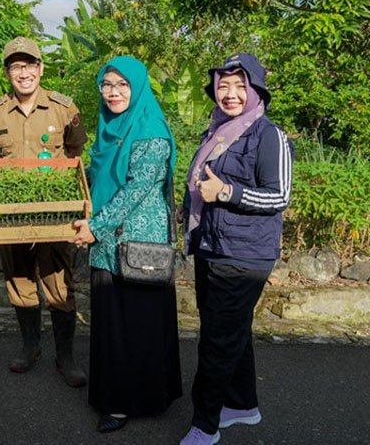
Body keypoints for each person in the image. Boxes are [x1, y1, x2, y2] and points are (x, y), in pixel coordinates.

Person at [179, 53, 293, 445]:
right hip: (212, 245)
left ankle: (205, 426)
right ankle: (243, 405)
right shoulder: (218, 131)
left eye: (239, 86)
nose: (230, 94)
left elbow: (279, 195)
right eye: (223, 85)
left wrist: (226, 191)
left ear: (256, 89)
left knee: (216, 341)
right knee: (230, 331)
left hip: (244, 255)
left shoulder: (268, 135)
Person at [72, 55, 182, 433]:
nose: (113, 92)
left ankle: (127, 402)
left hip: (138, 246)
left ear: (137, 88)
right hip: (107, 243)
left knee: (136, 323)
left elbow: (137, 188)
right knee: (113, 323)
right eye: (107, 85)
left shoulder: (149, 128)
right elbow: (99, 177)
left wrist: (96, 226)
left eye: (122, 85)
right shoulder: (112, 128)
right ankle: (118, 396)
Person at [0, 36, 89, 387]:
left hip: (55, 214)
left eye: (29, 65)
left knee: (59, 284)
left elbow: (75, 154)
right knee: (20, 282)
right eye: (16, 66)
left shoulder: (64, 109)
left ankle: (66, 355)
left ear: (40, 68)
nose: (23, 73)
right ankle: (30, 346)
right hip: (11, 217)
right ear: (7, 72)